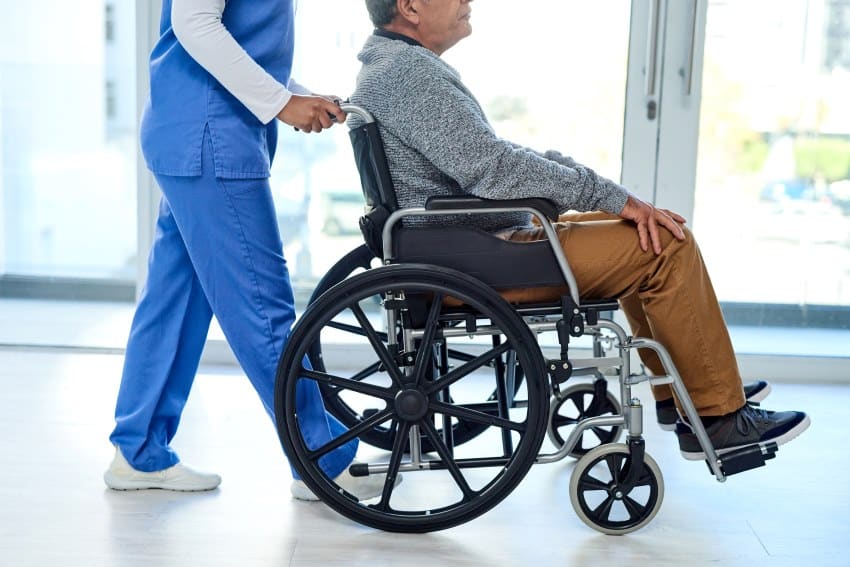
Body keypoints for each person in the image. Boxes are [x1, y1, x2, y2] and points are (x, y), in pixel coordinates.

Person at [353, 0, 809, 460]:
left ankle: (689, 390)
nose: (467, 1)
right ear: (410, 7)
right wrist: (610, 195)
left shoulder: (393, 66)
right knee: (665, 244)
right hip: (480, 255)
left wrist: (587, 184)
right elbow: (492, 169)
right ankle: (719, 417)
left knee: (637, 231)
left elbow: (488, 157)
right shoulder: (408, 74)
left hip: (468, 245)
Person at [104, 0, 393, 500]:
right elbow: (193, 23)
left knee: (175, 300)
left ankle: (139, 449)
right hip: (210, 139)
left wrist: (294, 93)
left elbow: (240, 38)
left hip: (195, 132)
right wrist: (281, 103)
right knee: (263, 306)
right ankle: (320, 460)